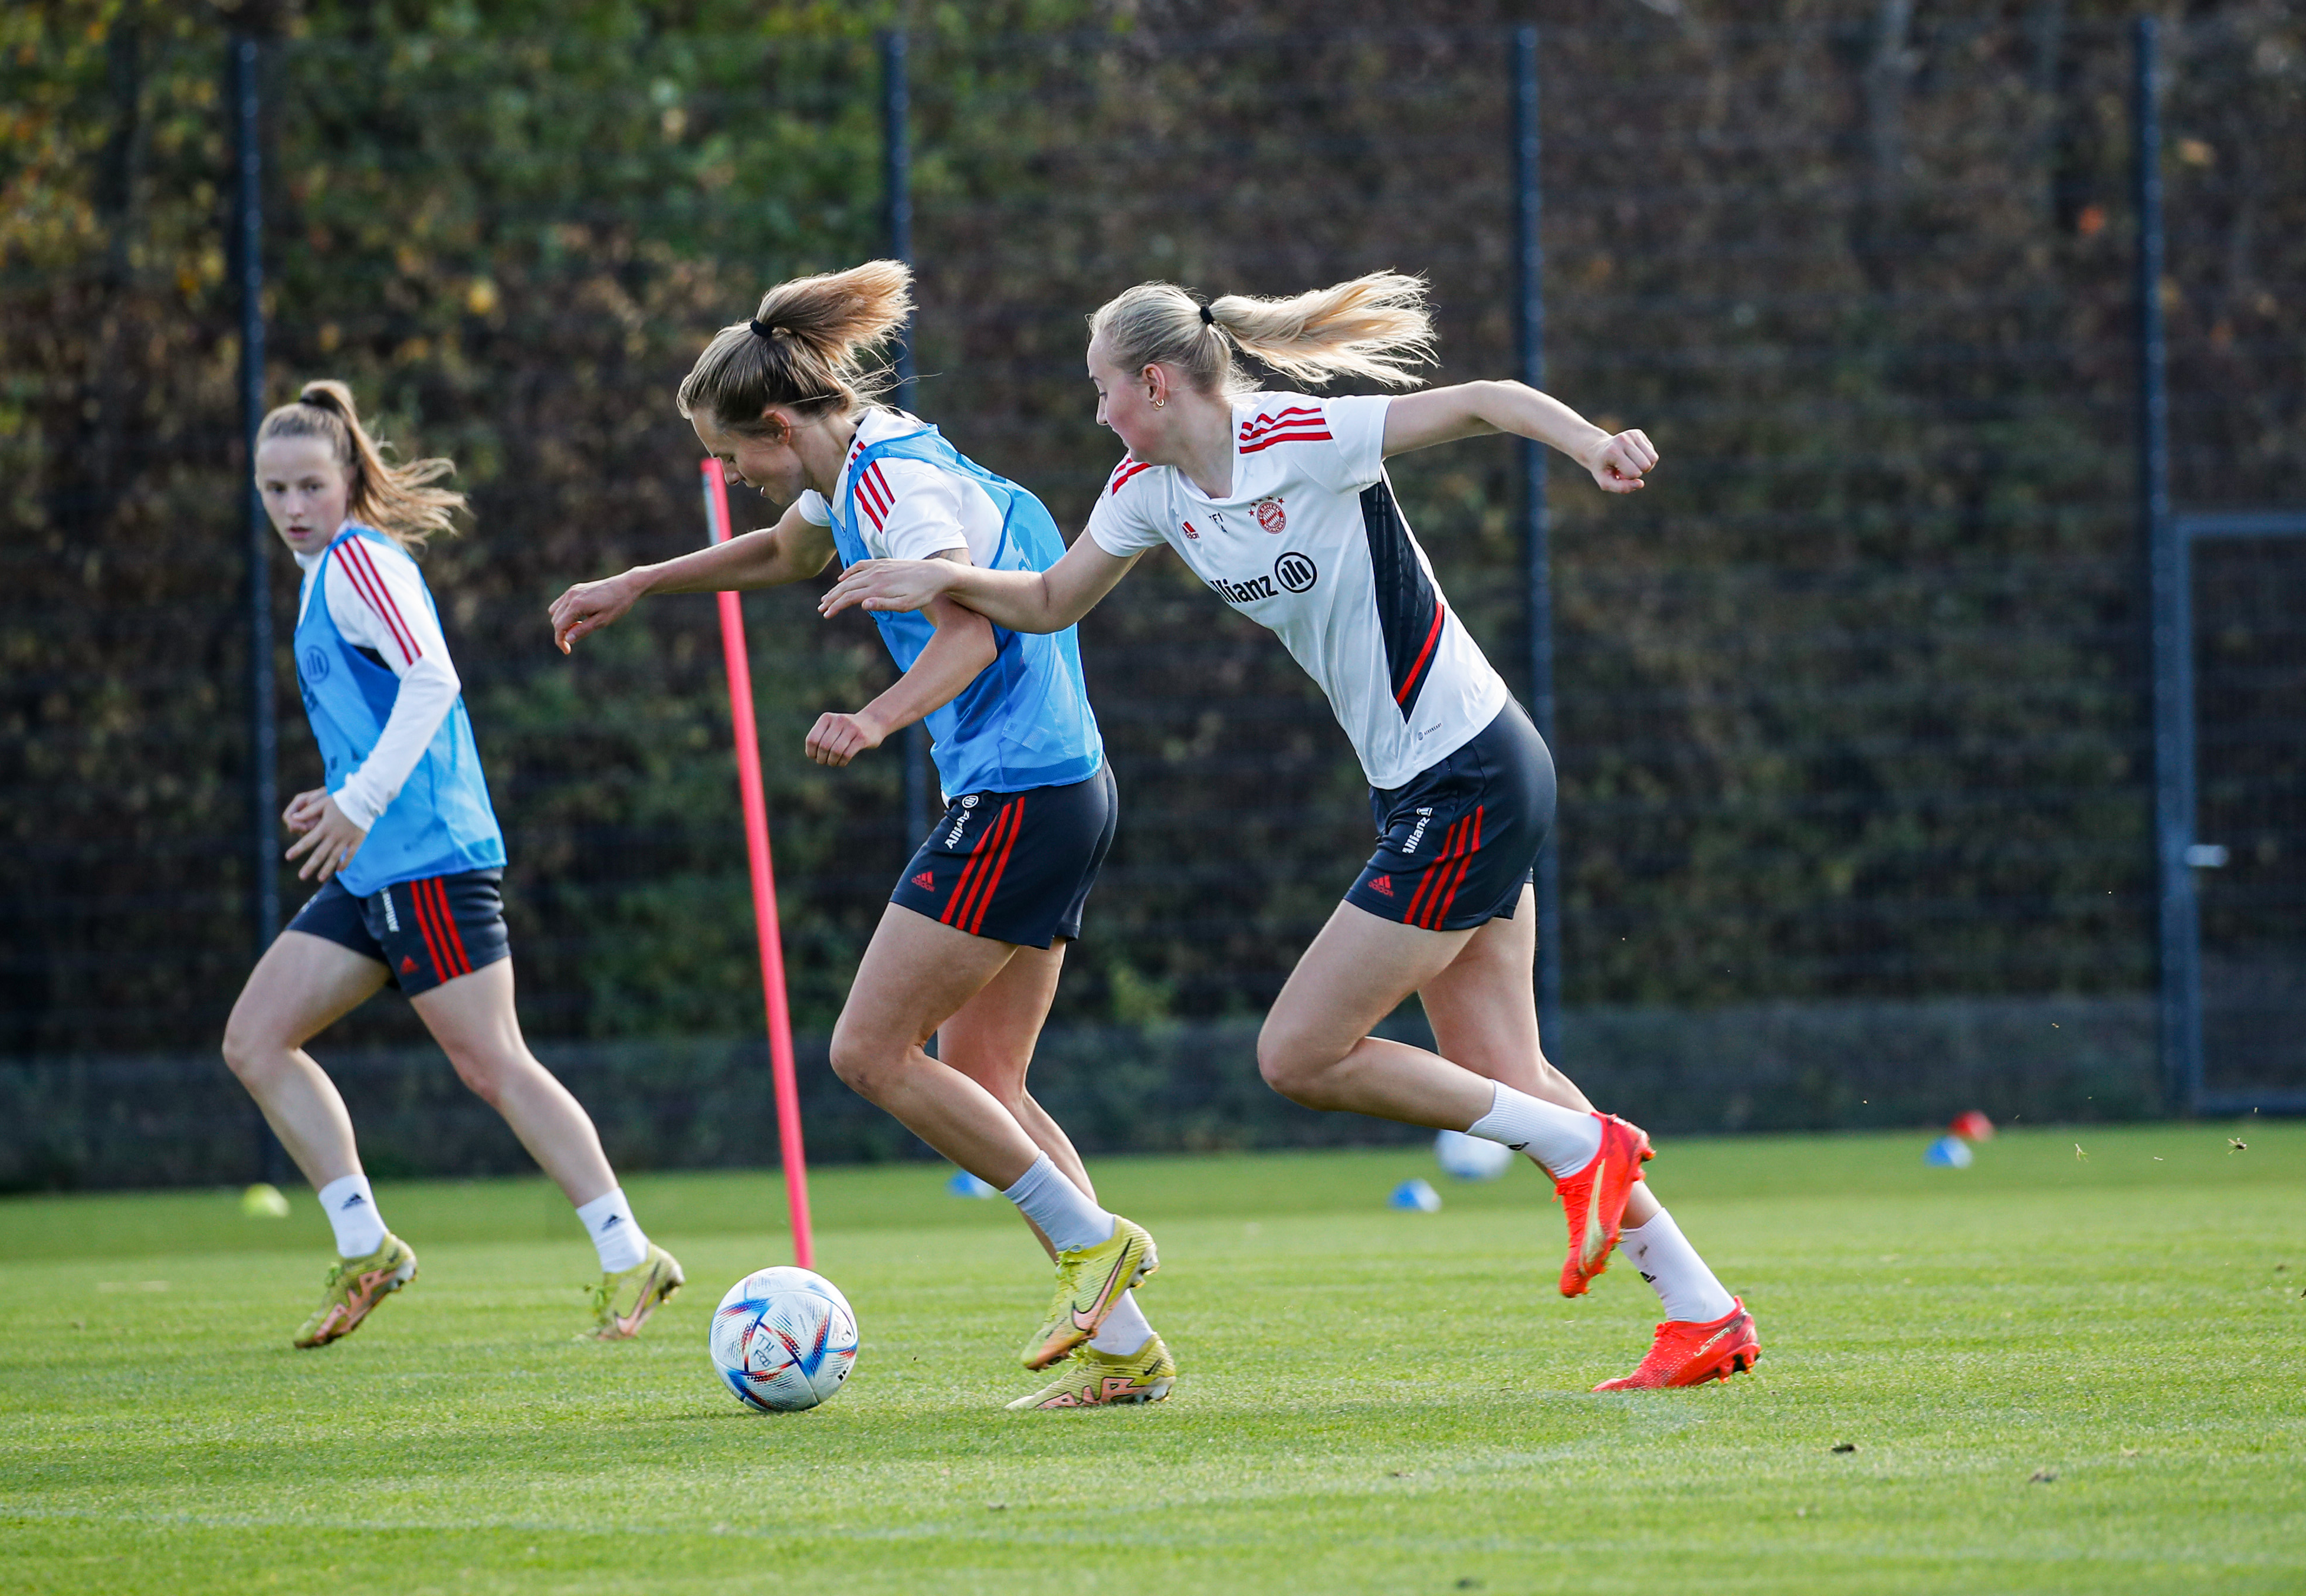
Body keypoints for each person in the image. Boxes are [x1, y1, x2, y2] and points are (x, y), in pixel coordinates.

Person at [819, 273, 1758, 1390]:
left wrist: (1592, 443)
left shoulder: (1301, 433)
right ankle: (1702, 1309)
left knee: (1300, 1053)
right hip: (1427, 785)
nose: (1100, 412)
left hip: (1472, 770)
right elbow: (1052, 600)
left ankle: (1578, 1146)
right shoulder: (1147, 489)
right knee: (1503, 1065)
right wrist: (945, 576)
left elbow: (1490, 398)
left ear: (1156, 382)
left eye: (1105, 389)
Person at [546, 262, 1173, 1410]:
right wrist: (638, 581)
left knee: (868, 1055)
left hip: (1020, 793)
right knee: (984, 1077)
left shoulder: (897, 491)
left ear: (780, 426)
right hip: (1060, 787)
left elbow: (972, 639)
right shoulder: (871, 455)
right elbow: (788, 553)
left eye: (736, 458)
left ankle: (1095, 1247)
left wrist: (873, 718)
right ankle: (1123, 1347)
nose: (733, 480)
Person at [221, 380, 684, 1351]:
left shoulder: (357, 563)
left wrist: (359, 799)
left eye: (310, 485)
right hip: (374, 861)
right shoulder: (321, 574)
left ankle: (629, 1253)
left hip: (427, 853)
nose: (293, 508)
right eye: (274, 491)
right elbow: (382, 705)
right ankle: (367, 1248)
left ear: (348, 478)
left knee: (492, 1065)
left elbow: (435, 676)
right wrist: (343, 789)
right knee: (257, 1039)